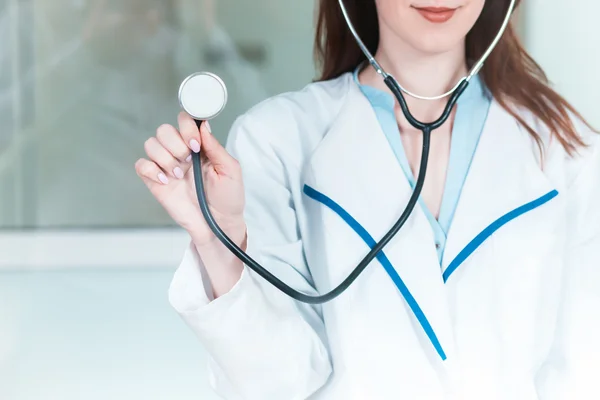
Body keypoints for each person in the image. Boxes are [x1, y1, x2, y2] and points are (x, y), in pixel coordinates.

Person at [135, 0, 600, 398]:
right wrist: (219, 240)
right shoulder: (278, 140)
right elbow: (275, 383)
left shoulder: (567, 151)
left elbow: (580, 372)